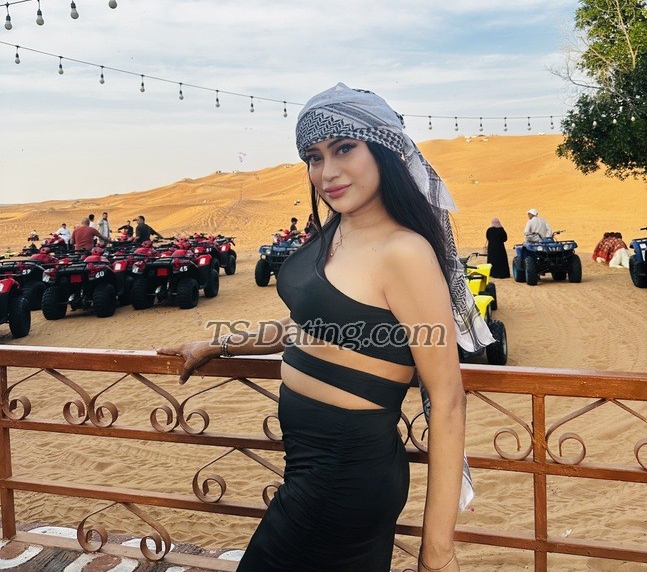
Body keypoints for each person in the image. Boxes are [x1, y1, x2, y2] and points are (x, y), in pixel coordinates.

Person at [159, 83, 492, 572]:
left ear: (384, 149)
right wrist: (220, 344)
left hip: (346, 479)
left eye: (344, 148)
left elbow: (448, 399)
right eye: (314, 157)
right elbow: (312, 326)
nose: (326, 172)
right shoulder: (339, 229)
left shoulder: (403, 252)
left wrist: (437, 552)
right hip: (309, 467)